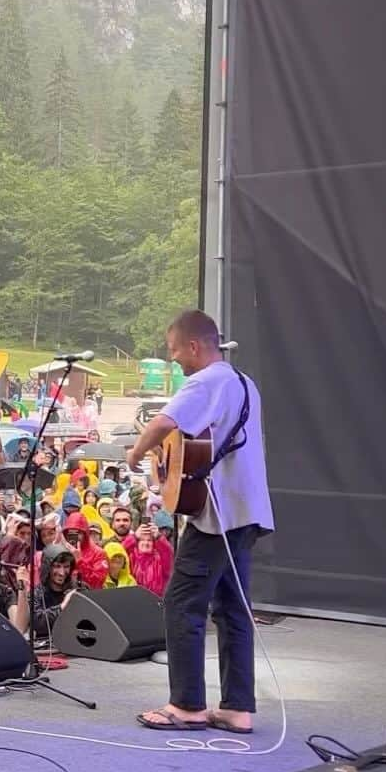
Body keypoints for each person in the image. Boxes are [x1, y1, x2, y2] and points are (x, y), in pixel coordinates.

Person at [127, 307, 273, 735]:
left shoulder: (206, 380)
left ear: (194, 346)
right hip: (248, 511)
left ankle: (187, 704)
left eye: (175, 352)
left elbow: (163, 422)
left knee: (181, 602)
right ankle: (236, 708)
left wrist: (136, 455)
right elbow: (201, 442)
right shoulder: (245, 384)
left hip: (218, 515)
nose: (174, 361)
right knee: (232, 608)